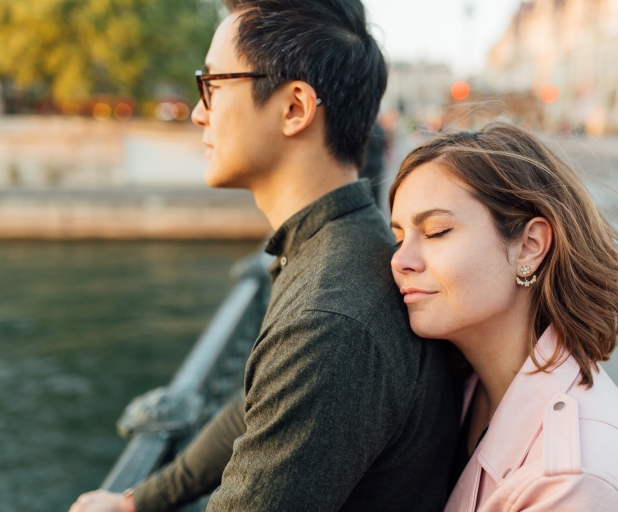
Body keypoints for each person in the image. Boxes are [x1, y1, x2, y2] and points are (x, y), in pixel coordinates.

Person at [70, 1, 458, 511]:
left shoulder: (328, 321)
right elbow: (255, 409)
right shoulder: (341, 247)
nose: (198, 110)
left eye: (212, 84)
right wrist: (138, 501)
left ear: (294, 108)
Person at [389, 124, 618, 511]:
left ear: (530, 246)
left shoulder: (572, 481)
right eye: (399, 237)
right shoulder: (462, 382)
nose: (400, 260)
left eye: (436, 232)